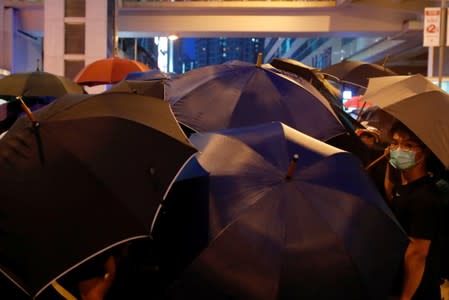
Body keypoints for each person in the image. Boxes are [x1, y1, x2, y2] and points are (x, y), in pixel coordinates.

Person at [385, 121, 442, 300]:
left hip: (415, 289)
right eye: (395, 143)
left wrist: (405, 297)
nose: (399, 150)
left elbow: (417, 254)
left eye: (408, 145)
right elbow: (391, 196)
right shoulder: (405, 185)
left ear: (425, 152)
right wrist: (389, 164)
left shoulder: (425, 198)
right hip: (396, 278)